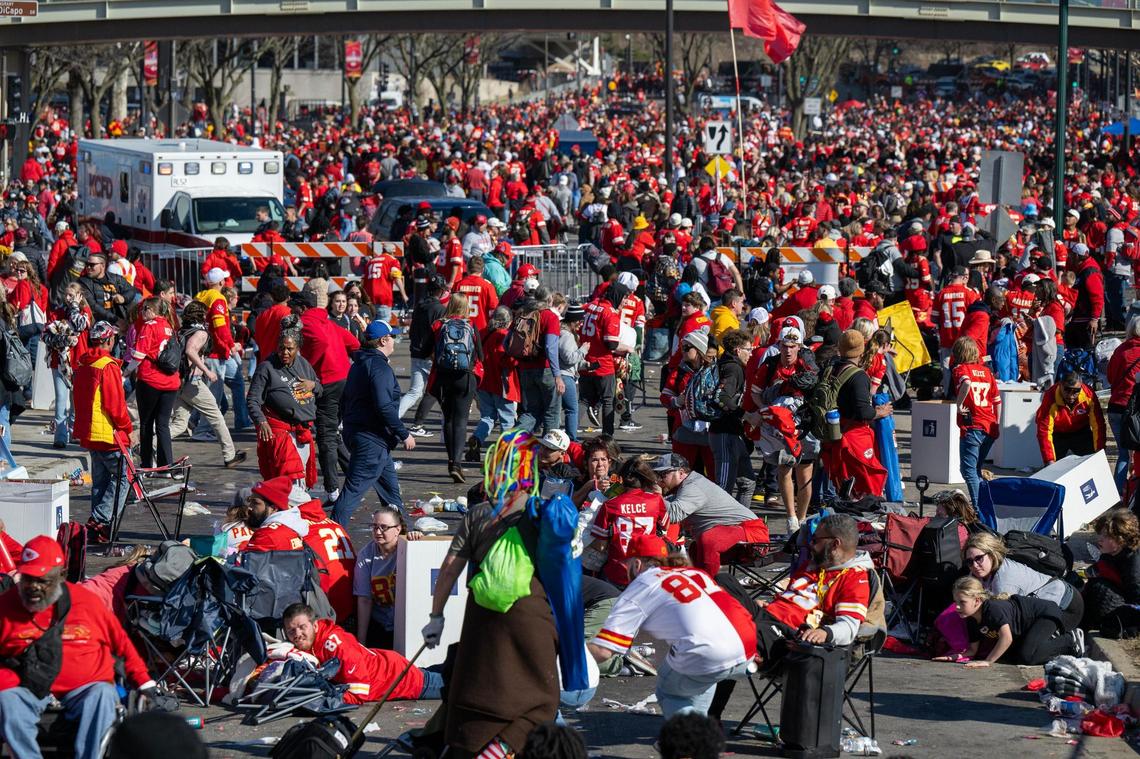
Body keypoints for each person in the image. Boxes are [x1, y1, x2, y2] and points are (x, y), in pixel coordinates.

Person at [422, 433, 560, 758]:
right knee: (541, 694)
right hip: (530, 610)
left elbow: (449, 570)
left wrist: (436, 617)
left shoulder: (478, 513)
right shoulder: (543, 512)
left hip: (482, 612)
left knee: (476, 687)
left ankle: (470, 746)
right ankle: (507, 747)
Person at [0, 535, 156, 759]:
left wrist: (145, 682)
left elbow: (121, 643)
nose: (33, 587)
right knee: (7, 700)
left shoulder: (87, 602)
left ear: (59, 576)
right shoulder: (5, 607)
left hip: (85, 688)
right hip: (28, 686)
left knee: (102, 694)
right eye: (27, 579)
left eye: (42, 580)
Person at [587, 534, 756, 718]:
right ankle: (704, 726)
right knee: (696, 677)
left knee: (669, 690)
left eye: (626, 565)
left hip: (709, 653)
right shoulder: (696, 573)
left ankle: (691, 741)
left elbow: (604, 651)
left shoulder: (643, 583)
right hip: (747, 646)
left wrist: (560, 659)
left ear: (636, 565)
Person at [332, 320, 415, 525]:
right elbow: (384, 406)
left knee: (390, 492)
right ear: (383, 340)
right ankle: (333, 535)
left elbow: (345, 399)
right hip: (371, 439)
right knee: (352, 491)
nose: (394, 341)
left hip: (367, 437)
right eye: (392, 336)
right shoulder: (379, 367)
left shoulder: (359, 364)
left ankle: (405, 530)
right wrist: (403, 433)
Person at [282, 602, 442, 704]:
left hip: (402, 680)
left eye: (302, 627)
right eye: (291, 631)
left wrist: (324, 699)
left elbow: (359, 694)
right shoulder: (302, 645)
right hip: (389, 667)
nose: (297, 634)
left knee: (458, 688)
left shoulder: (336, 644)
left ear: (315, 626)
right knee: (451, 672)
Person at [654, 453, 767, 576]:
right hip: (737, 532)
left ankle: (708, 586)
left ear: (681, 473)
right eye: (658, 475)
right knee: (695, 549)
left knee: (709, 540)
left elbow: (674, 515)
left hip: (753, 533)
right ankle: (698, 582)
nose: (660, 480)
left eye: (664, 474)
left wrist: (656, 496)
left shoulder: (693, 486)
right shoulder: (683, 487)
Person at [935, 576, 1084, 667]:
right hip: (1027, 628)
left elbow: (1006, 638)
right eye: (956, 602)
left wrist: (988, 661)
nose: (958, 607)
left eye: (962, 602)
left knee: (1027, 657)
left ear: (977, 600)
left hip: (1044, 615)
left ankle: (1070, 640)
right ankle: (1053, 644)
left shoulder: (992, 610)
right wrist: (953, 657)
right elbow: (972, 651)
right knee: (1014, 657)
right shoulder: (971, 620)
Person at [297, 290, 360, 498]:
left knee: (326, 437)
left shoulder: (307, 322)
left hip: (327, 382)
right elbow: (354, 344)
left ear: (302, 308)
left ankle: (332, 490)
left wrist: (309, 367)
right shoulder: (329, 322)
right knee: (333, 432)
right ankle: (354, 473)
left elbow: (321, 344)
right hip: (345, 379)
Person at [73, 321, 131, 544]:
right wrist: (127, 427)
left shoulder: (84, 364)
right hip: (107, 432)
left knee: (100, 482)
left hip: (89, 431)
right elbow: (115, 405)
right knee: (123, 477)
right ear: (110, 340)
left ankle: (100, 532)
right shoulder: (107, 365)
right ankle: (99, 520)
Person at [168, 301, 245, 468]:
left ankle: (149, 443)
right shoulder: (200, 332)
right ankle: (229, 455)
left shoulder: (182, 330)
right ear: (202, 316)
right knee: (216, 417)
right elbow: (190, 350)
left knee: (180, 424)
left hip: (180, 382)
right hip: (193, 383)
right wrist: (208, 371)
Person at [962, 531, 1083, 634]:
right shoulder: (979, 572)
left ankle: (1071, 640)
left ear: (992, 554)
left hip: (1066, 606)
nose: (974, 565)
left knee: (1025, 651)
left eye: (979, 559)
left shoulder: (1003, 581)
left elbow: (1006, 625)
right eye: (969, 561)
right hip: (1045, 605)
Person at [247, 321, 322, 487]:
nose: (285, 352)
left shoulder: (304, 364)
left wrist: (313, 385)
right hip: (281, 433)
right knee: (286, 479)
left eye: (290, 349)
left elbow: (319, 388)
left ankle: (296, 508)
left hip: (302, 429)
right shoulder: (266, 367)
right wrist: (261, 421)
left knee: (300, 479)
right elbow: (252, 399)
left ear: (298, 348)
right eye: (281, 348)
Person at [820, 330, 891, 499]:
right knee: (867, 478)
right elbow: (863, 411)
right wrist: (880, 412)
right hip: (854, 436)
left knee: (840, 480)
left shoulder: (831, 368)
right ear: (861, 349)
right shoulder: (858, 376)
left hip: (832, 432)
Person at [590, 457, 670, 587]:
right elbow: (665, 526)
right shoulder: (656, 500)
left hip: (618, 572)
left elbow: (600, 546)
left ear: (622, 479)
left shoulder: (610, 504)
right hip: (648, 573)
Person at [429, 292, 483, 483]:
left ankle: (451, 460)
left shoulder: (438, 325)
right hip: (465, 377)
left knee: (449, 420)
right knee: (461, 420)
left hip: (443, 377)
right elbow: (481, 356)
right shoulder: (471, 324)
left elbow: (429, 349)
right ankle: (457, 464)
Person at [354, 506, 425, 649]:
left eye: (384, 527)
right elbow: (364, 599)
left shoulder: (410, 547)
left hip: (408, 624)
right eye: (374, 527)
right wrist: (361, 640)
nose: (378, 532)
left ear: (398, 529)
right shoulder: (366, 555)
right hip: (380, 622)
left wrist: (422, 541)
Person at [128, 297, 179, 469]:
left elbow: (138, 355)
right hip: (170, 382)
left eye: (143, 309)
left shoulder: (149, 326)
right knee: (163, 424)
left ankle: (147, 464)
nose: (141, 313)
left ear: (151, 310)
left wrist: (125, 373)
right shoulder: (168, 325)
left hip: (150, 379)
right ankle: (167, 464)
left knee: (146, 423)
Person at [951, 336, 1001, 506]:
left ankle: (979, 509)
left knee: (968, 470)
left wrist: (958, 405)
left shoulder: (960, 369)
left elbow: (966, 383)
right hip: (990, 426)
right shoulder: (986, 371)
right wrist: (997, 423)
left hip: (973, 426)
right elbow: (997, 401)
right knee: (976, 470)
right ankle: (986, 505)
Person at [709, 329, 755, 507]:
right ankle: (717, 528)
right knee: (723, 488)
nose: (750, 354)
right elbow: (721, 397)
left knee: (748, 483)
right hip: (724, 433)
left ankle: (739, 523)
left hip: (734, 433)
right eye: (749, 349)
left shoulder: (729, 365)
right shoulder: (733, 368)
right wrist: (745, 415)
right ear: (738, 350)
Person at [469, 306, 519, 463]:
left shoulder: (483, 332)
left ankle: (477, 438)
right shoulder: (503, 336)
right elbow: (506, 360)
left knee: (488, 416)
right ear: (508, 321)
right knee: (507, 419)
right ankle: (507, 453)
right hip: (501, 383)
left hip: (484, 381)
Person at [1081, 509, 1140, 636]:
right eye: (1100, 535)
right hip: (1115, 598)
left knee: (1098, 587)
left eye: (1106, 536)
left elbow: (1136, 598)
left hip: (1127, 606)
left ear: (1120, 540)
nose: (1100, 540)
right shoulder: (1109, 554)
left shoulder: (1132, 563)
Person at [400, 274, 446, 434]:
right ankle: (437, 430)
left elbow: (413, 330)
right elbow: (439, 334)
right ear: (441, 291)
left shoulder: (420, 305)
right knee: (438, 392)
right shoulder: (440, 309)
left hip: (416, 352)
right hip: (430, 355)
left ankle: (393, 418)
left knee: (414, 392)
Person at [516, 285, 565, 436]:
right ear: (549, 299)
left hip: (525, 368)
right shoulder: (550, 317)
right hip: (545, 370)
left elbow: (507, 343)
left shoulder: (523, 314)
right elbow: (551, 347)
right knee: (551, 412)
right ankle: (549, 452)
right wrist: (557, 375)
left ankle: (511, 440)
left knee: (530, 412)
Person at [580, 282, 627, 436]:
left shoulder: (591, 305)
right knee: (608, 400)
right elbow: (611, 343)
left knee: (584, 400)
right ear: (617, 296)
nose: (625, 302)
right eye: (624, 298)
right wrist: (627, 348)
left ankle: (569, 432)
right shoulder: (610, 313)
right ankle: (608, 437)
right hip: (603, 364)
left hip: (585, 361)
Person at [1035, 372, 1106, 465]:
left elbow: (1098, 425)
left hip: (1081, 432)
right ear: (1060, 385)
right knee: (1052, 467)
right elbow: (1044, 431)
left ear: (1081, 387)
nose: (1071, 395)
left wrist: (1099, 451)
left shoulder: (1089, 395)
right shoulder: (1050, 397)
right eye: (1067, 390)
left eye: (1076, 391)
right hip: (1058, 434)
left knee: (1091, 462)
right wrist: (1049, 460)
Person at [1106, 317, 1140, 491]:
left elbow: (1110, 377)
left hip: (1115, 407)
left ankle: (1117, 494)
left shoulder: (1120, 350)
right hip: (1135, 410)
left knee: (1123, 454)